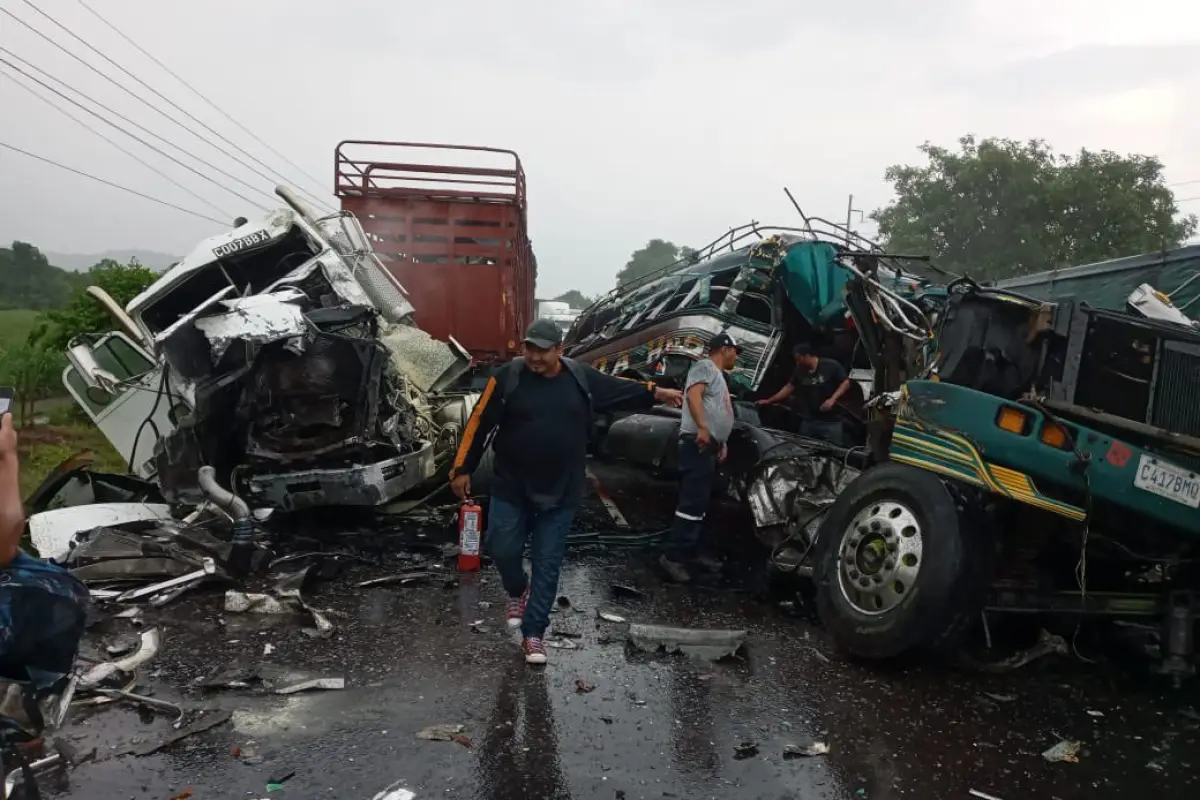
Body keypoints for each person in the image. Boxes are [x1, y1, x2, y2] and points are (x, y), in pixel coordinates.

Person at [450, 319, 683, 665]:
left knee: (548, 561)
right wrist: (461, 468)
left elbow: (618, 388)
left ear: (559, 350)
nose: (534, 357)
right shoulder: (507, 377)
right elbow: (479, 422)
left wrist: (656, 392)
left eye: (543, 350)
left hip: (561, 489)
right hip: (511, 484)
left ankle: (533, 634)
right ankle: (517, 589)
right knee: (501, 546)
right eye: (530, 348)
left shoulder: (579, 377)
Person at [658, 332, 740, 584]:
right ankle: (674, 557)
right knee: (692, 503)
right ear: (724, 348)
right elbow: (693, 396)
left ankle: (693, 552)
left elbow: (716, 409)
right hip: (697, 445)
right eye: (735, 351)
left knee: (703, 502)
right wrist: (704, 428)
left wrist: (721, 442)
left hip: (710, 447)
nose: (736, 356)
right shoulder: (704, 367)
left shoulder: (720, 376)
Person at [757, 343, 851, 445]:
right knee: (804, 448)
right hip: (809, 421)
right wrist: (770, 400)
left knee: (833, 450)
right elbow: (789, 387)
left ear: (807, 356)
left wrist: (833, 399)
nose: (797, 363)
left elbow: (846, 382)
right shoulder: (800, 370)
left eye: (799, 359)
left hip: (831, 422)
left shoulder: (831, 366)